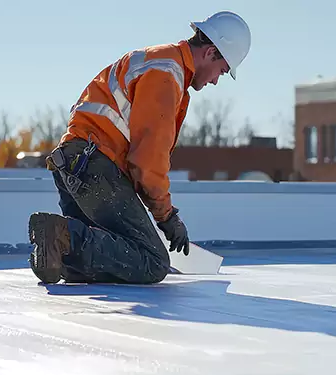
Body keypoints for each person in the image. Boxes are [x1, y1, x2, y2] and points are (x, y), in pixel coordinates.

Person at [27, 11, 251, 285]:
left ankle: (60, 250)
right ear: (211, 52)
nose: (216, 79)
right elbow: (148, 159)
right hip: (94, 167)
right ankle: (64, 234)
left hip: (73, 164)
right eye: (222, 70)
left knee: (103, 261)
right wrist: (167, 216)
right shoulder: (167, 74)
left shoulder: (157, 60)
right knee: (153, 262)